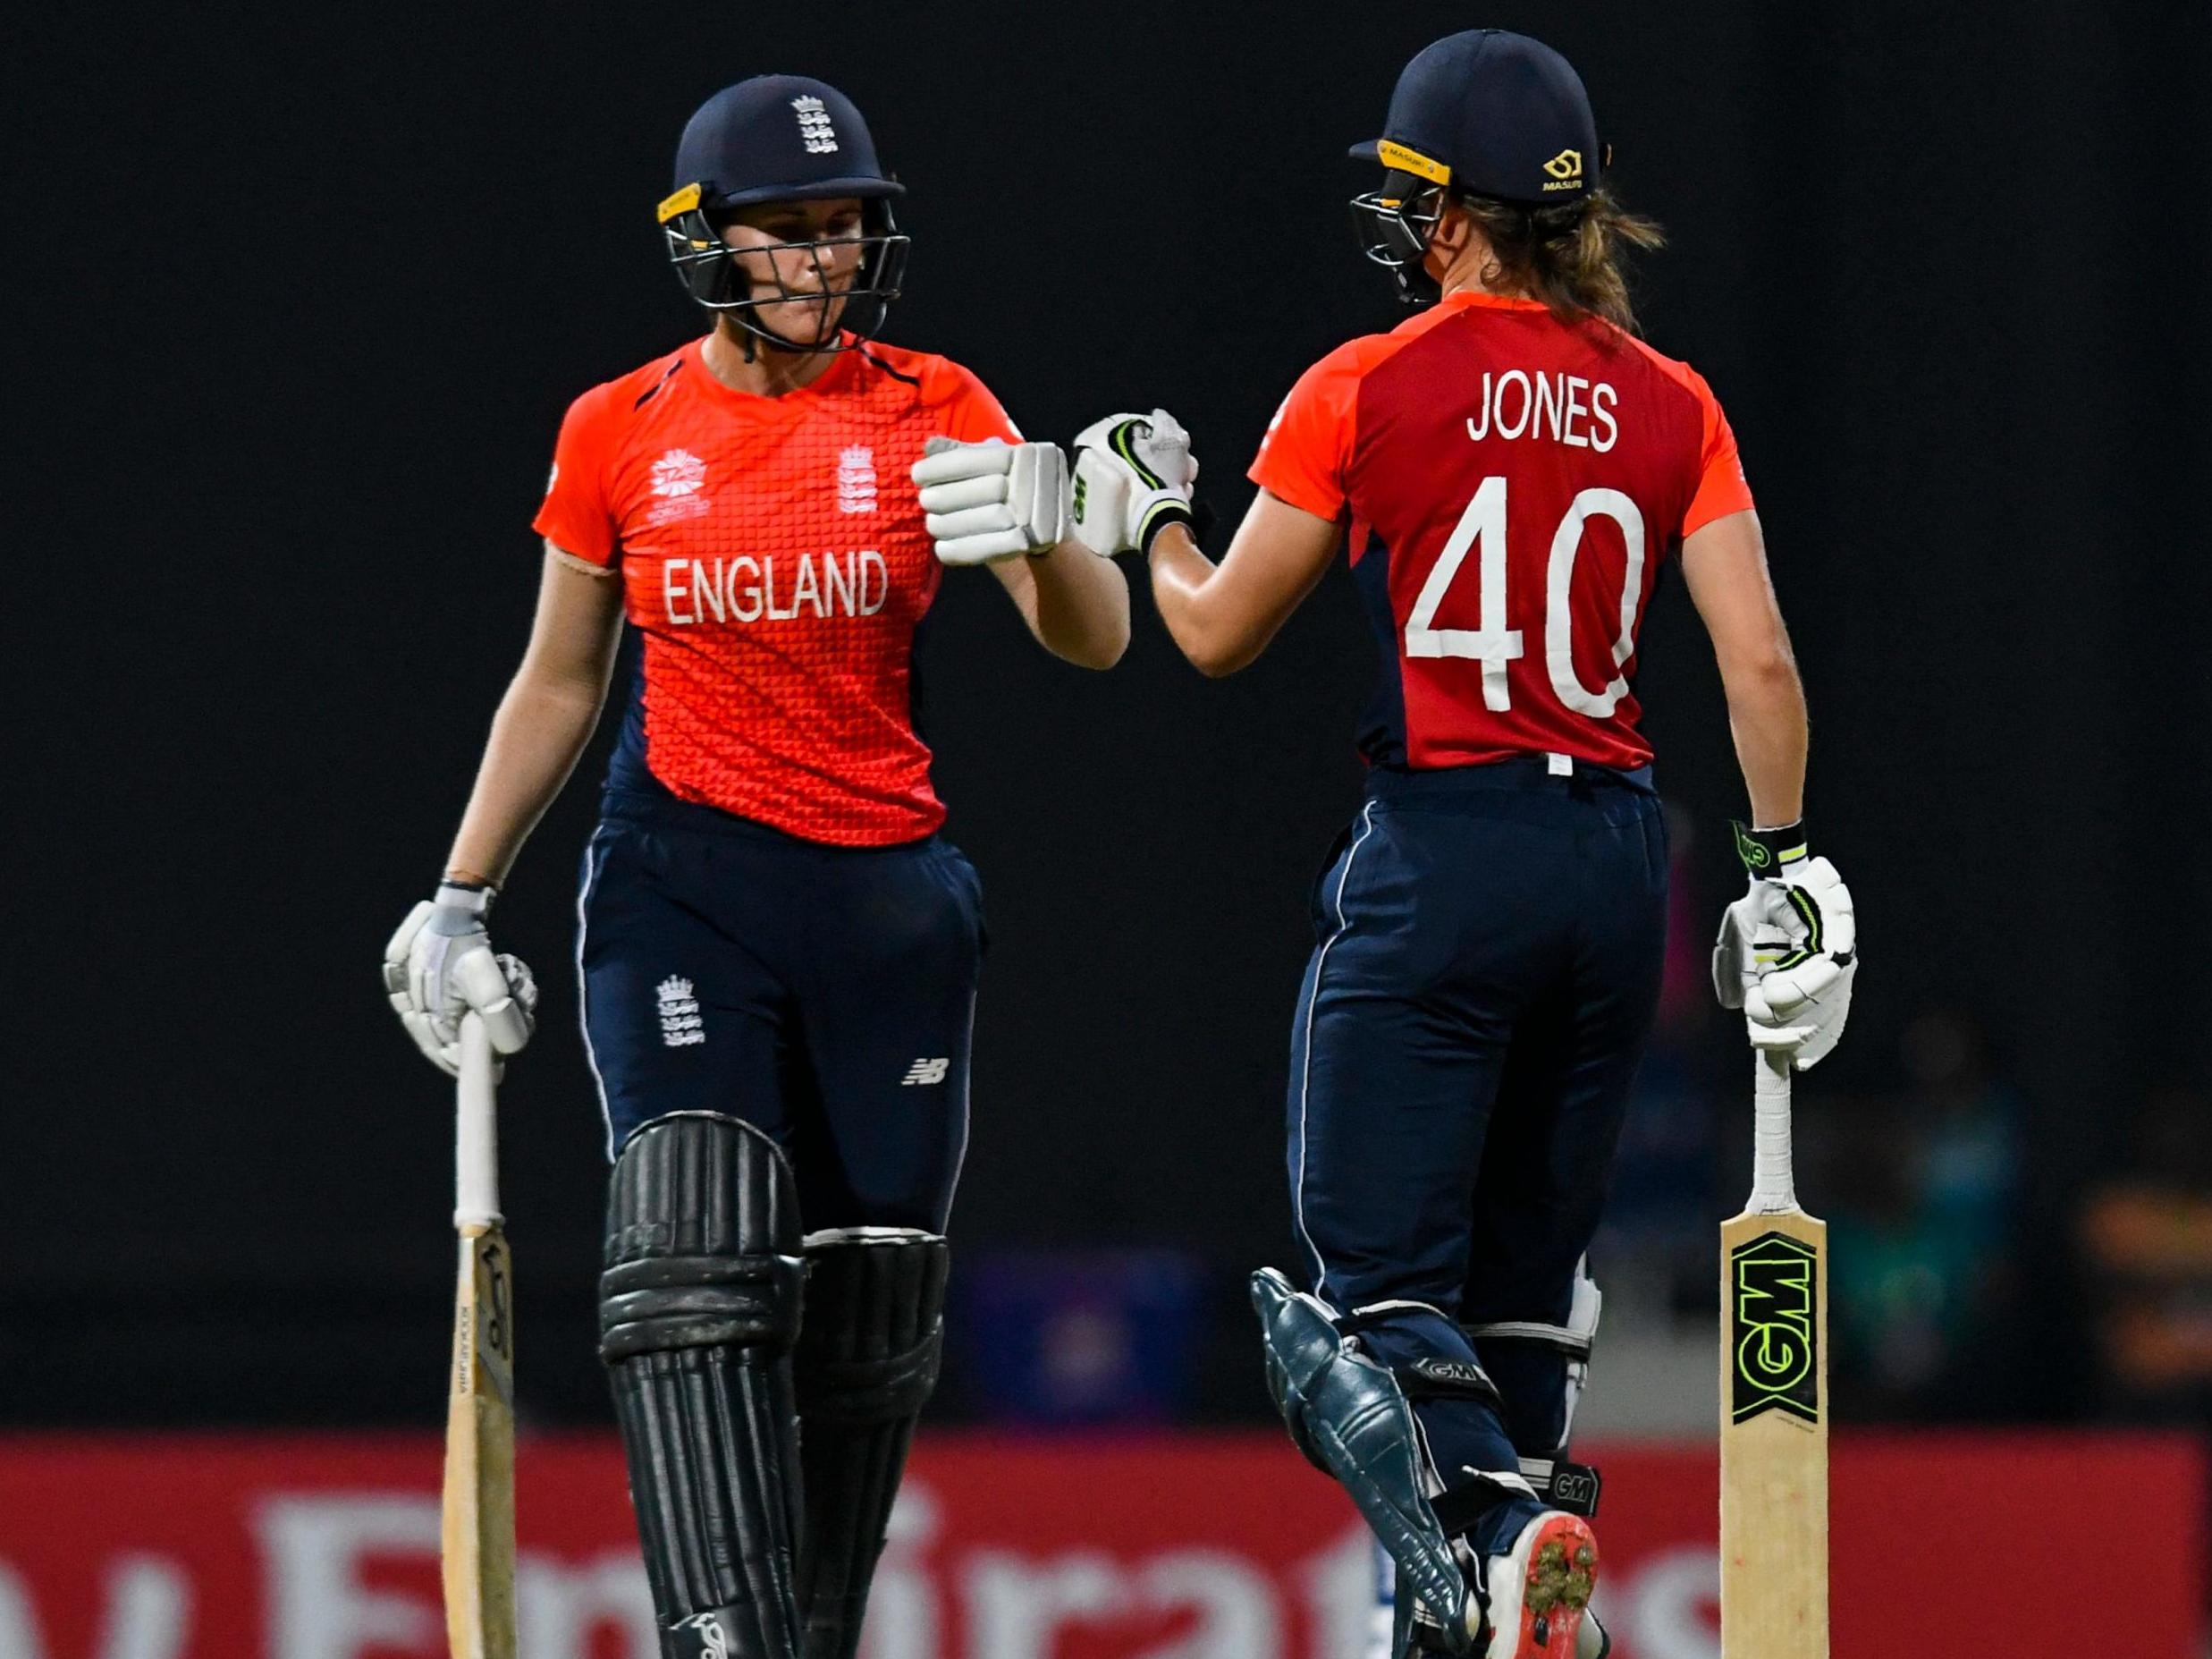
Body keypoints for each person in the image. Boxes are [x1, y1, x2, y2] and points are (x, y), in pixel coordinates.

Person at [1068, 30, 1856, 1659]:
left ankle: (1498, 1540)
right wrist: (1786, 874)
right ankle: (1502, 1563)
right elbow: (1758, 663)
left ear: (1440, 213)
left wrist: (1144, 513)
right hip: (1616, 869)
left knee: (1345, 1313)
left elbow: (1213, 632)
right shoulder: (1671, 398)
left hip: (1445, 845)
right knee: (1515, 1311)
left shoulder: (1363, 383)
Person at [381, 74, 1128, 1659]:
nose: (821, 263)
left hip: (888, 906)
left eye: (843, 229)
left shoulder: (937, 407)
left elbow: (1095, 642)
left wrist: (1052, 535)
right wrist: (459, 895)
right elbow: (562, 680)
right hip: (685, 880)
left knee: (864, 1327)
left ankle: (808, 1633)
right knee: (692, 1258)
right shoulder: (619, 427)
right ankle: (718, 1637)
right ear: (703, 242)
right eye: (785, 233)